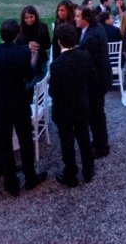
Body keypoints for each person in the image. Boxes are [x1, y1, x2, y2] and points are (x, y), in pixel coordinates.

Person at [0, 19, 47, 195]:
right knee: (25, 141)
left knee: (4, 144)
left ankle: (11, 183)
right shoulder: (22, 53)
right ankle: (30, 177)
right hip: (19, 104)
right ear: (17, 35)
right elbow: (30, 75)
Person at [49, 23, 96, 188]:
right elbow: (91, 78)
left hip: (64, 111)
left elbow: (53, 92)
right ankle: (88, 171)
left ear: (59, 42)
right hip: (82, 106)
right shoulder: (85, 56)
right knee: (84, 138)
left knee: (67, 142)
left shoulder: (57, 65)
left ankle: (71, 174)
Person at [75, 6, 111, 158]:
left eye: (78, 16)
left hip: (95, 82)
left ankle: (101, 146)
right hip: (100, 79)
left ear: (86, 19)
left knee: (95, 115)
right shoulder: (95, 29)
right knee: (97, 114)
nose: (75, 18)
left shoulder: (91, 37)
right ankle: (99, 143)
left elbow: (88, 62)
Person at [18, 5, 51, 86]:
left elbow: (48, 44)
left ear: (35, 16)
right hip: (25, 63)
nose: (29, 20)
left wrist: (37, 46)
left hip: (41, 61)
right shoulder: (20, 29)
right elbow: (17, 47)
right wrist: (27, 47)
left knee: (40, 84)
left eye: (31, 17)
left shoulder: (42, 27)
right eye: (26, 18)